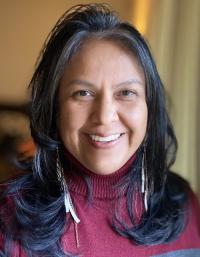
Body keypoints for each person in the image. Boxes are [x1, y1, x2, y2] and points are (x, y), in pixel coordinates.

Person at [0, 3, 200, 257]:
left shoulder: (185, 205)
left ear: (150, 106)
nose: (105, 117)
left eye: (126, 93)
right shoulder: (8, 219)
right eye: (83, 93)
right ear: (55, 107)